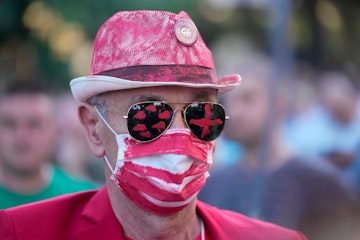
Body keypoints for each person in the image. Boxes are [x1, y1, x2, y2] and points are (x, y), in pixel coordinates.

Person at [0, 10, 306, 239]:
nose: (180, 137)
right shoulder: (20, 233)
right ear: (94, 128)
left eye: (200, 114)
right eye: (148, 114)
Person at [198, 63, 357, 240]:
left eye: (248, 99)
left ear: (279, 104)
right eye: (229, 102)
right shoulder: (212, 185)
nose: (235, 112)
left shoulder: (321, 183)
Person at [0, 80, 98, 209]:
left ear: (55, 132)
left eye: (34, 124)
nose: (21, 135)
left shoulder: (85, 200)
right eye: (9, 123)